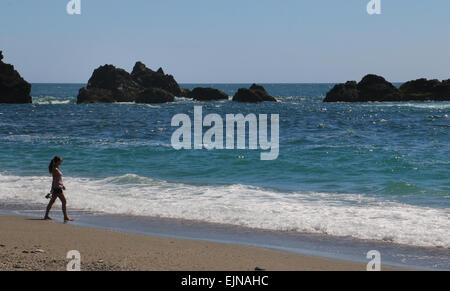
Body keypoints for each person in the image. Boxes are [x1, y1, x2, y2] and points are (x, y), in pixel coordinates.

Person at [44, 156, 73, 222]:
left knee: (52, 202)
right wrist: (53, 188)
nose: (61, 162)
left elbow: (57, 179)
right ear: (57, 161)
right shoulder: (55, 169)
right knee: (64, 201)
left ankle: (46, 216)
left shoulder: (56, 168)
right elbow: (54, 180)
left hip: (57, 187)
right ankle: (65, 217)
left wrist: (62, 185)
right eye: (61, 161)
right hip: (57, 188)